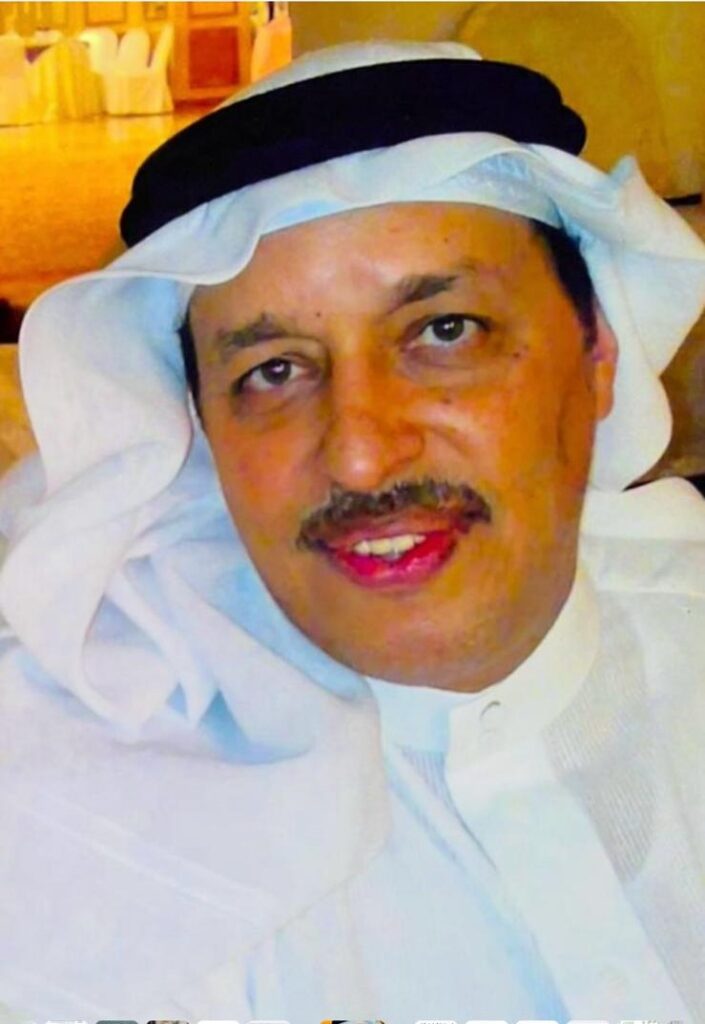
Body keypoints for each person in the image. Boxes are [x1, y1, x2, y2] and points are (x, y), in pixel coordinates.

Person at [1, 40, 705, 1022]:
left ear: (596, 356)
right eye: (274, 372)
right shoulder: (70, 828)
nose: (363, 456)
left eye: (445, 331)